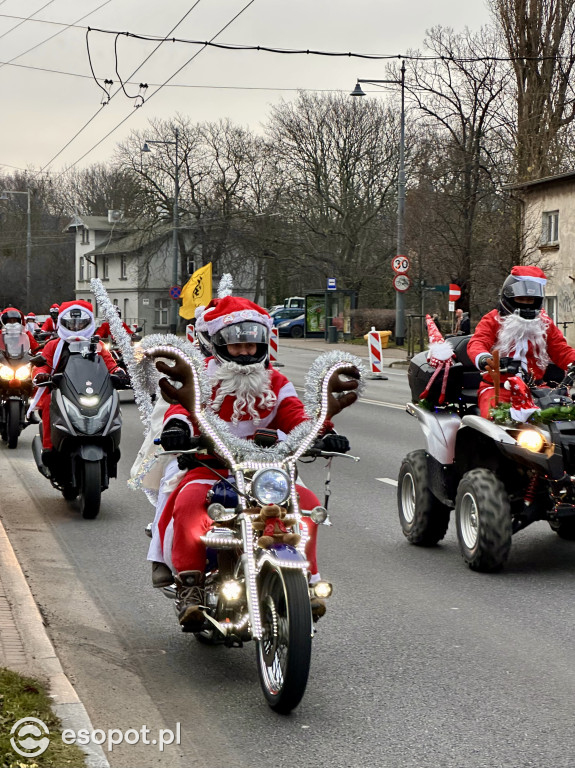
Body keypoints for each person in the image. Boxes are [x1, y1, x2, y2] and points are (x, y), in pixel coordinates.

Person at [147, 295, 357, 629]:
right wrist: (177, 428)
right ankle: (190, 588)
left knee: (309, 507)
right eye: (236, 344)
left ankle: (304, 578)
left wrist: (324, 433)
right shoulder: (200, 379)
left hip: (268, 472)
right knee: (187, 504)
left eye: (252, 343)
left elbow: (296, 416)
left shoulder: (276, 382)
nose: (245, 351)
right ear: (217, 342)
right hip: (211, 467)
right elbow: (181, 409)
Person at [468, 265, 575, 419]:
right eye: (520, 299)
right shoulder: (493, 319)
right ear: (509, 298)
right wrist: (485, 358)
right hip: (498, 388)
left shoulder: (544, 323)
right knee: (496, 419)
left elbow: (561, 350)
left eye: (530, 299)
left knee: (565, 418)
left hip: (538, 389)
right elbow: (477, 342)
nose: (526, 303)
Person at [30, 300, 128, 464]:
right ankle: (49, 448)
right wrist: (41, 375)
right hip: (61, 390)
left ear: (88, 322)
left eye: (80, 323)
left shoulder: (97, 345)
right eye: (71, 323)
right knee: (48, 403)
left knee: (113, 405)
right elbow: (42, 366)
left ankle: (111, 445)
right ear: (63, 322)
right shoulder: (54, 345)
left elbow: (110, 364)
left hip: (93, 390)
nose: (75, 327)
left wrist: (119, 373)